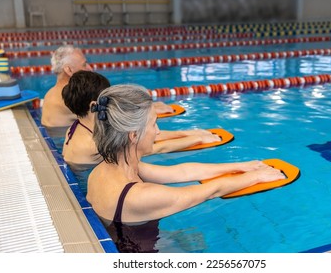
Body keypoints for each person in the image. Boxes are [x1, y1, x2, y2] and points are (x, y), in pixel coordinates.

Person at [86, 84, 285, 252]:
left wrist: (243, 166)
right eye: (154, 124)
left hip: (126, 240)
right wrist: (256, 177)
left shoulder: (108, 169)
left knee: (193, 241)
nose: (158, 131)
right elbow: (209, 191)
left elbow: (184, 172)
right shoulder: (139, 195)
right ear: (133, 135)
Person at [61, 70, 221, 191]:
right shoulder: (92, 145)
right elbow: (153, 147)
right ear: (93, 106)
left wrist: (187, 133)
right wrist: (194, 139)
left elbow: (137, 135)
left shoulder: (78, 127)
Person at [41, 45, 174, 134]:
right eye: (84, 64)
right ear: (69, 70)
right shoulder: (67, 98)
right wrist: (149, 109)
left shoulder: (53, 93)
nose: (90, 68)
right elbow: (115, 112)